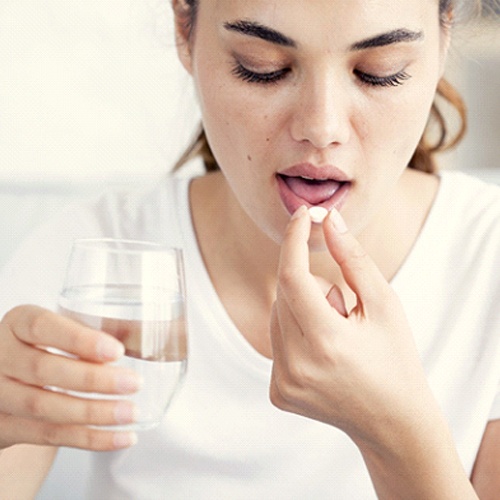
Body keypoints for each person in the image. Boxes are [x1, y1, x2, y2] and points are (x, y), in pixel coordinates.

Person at [0, 0, 499, 497]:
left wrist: (397, 433)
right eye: (262, 68)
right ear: (184, 29)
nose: (321, 129)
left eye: (379, 73)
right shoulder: (94, 263)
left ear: (443, 37)